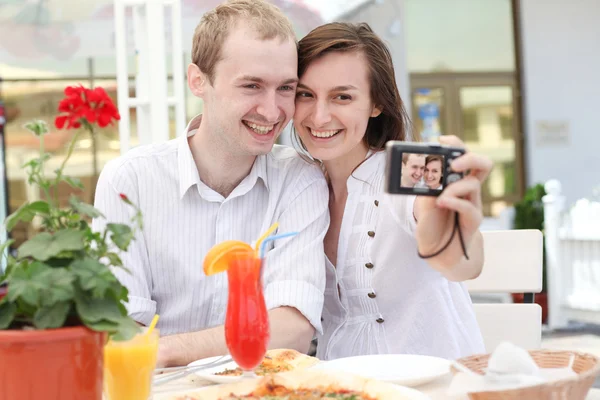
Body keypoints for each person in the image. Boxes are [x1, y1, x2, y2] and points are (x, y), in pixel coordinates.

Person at [93, 0, 329, 367]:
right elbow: (120, 327)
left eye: (286, 88)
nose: (272, 110)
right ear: (198, 80)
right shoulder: (130, 180)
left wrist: (169, 348)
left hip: (260, 390)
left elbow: (293, 328)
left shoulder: (301, 179)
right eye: (252, 86)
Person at [292, 22, 492, 360]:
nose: (320, 116)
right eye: (305, 94)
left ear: (376, 104)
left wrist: (449, 239)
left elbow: (459, 260)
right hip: (341, 387)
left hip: (433, 386)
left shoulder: (408, 169)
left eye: (343, 96)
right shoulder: (296, 184)